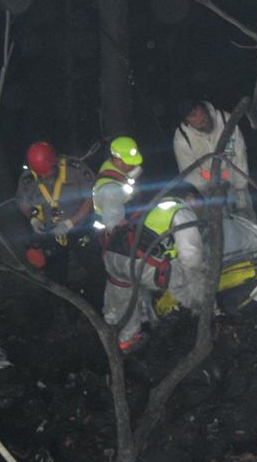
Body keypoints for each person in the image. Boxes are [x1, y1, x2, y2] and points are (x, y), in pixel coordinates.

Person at [101, 195, 207, 351]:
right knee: (186, 282)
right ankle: (206, 317)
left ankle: (125, 341)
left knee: (121, 298)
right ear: (191, 198)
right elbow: (191, 256)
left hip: (113, 256)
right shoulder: (181, 211)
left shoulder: (154, 204)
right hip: (138, 261)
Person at [16, 141, 101, 292]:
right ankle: (63, 303)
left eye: (47, 172)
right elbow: (23, 203)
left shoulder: (75, 169)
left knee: (95, 268)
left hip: (80, 227)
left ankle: (97, 298)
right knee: (55, 277)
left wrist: (70, 223)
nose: (45, 176)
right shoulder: (28, 178)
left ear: (54, 162)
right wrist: (33, 219)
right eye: (41, 174)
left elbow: (90, 199)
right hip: (51, 232)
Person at [172, 99, 257, 222]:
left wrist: (240, 188)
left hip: (235, 184)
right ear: (187, 120)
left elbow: (240, 153)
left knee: (248, 221)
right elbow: (189, 173)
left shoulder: (225, 120)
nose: (200, 119)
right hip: (209, 193)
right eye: (193, 116)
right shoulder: (182, 139)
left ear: (205, 108)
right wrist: (210, 192)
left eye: (200, 113)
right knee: (221, 228)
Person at [91, 136, 144, 235]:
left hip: (127, 212)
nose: (134, 166)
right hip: (110, 239)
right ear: (117, 161)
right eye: (130, 163)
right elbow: (115, 229)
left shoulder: (110, 165)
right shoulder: (111, 190)